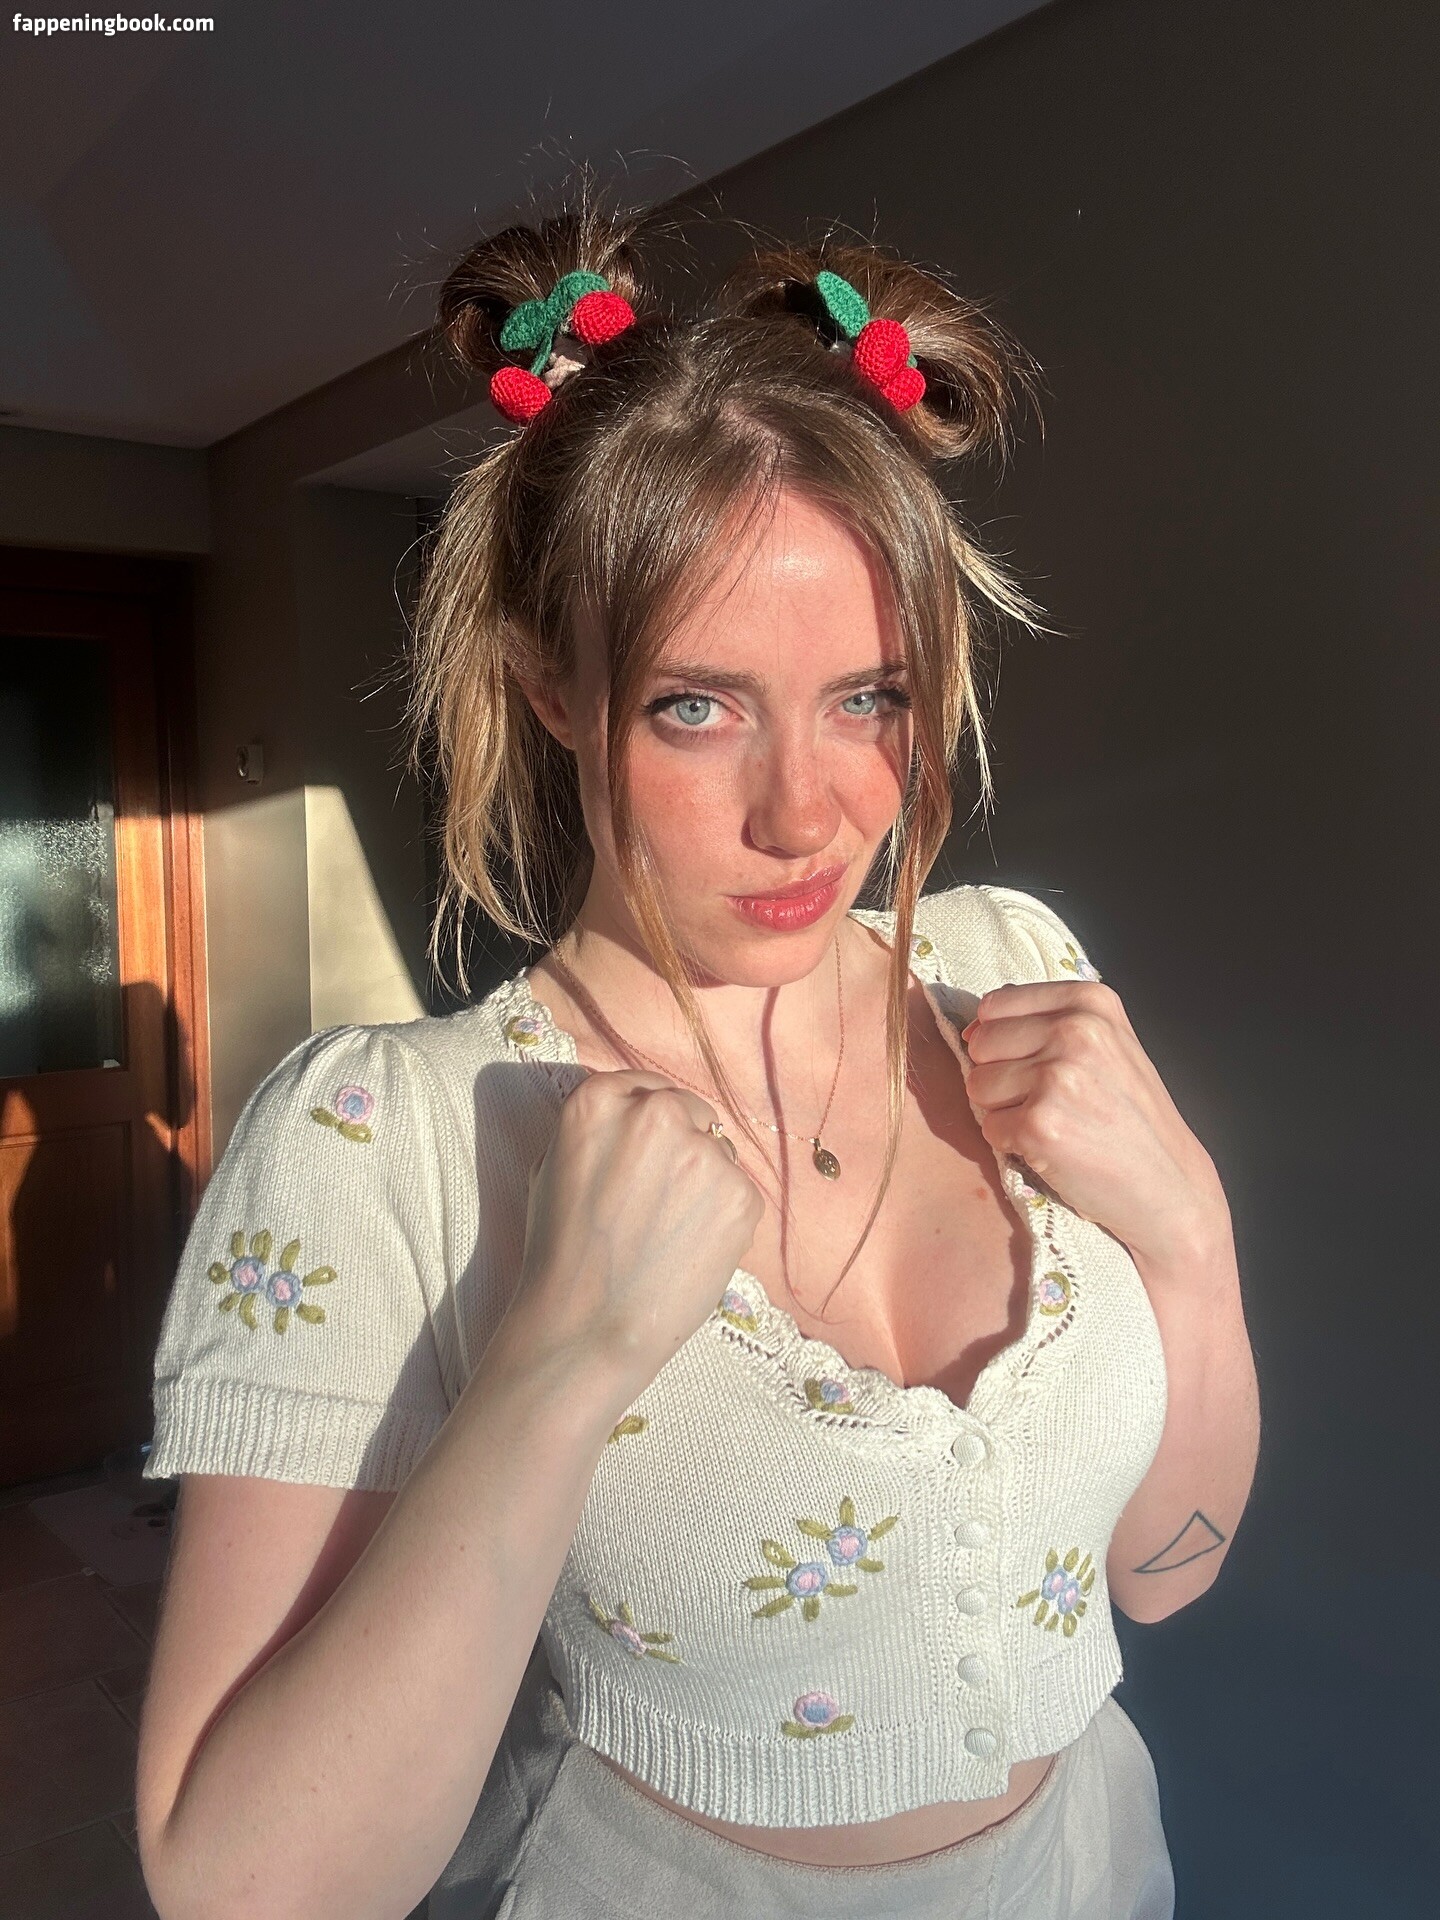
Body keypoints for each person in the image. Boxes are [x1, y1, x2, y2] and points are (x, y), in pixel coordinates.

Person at [134, 202, 1260, 1920]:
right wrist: (555, 1367)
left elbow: (1162, 1579)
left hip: (1095, 1866)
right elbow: (244, 1887)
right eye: (696, 705)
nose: (808, 814)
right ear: (553, 688)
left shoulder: (1014, 968)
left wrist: (1191, 1234)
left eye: (870, 697)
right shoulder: (384, 1140)